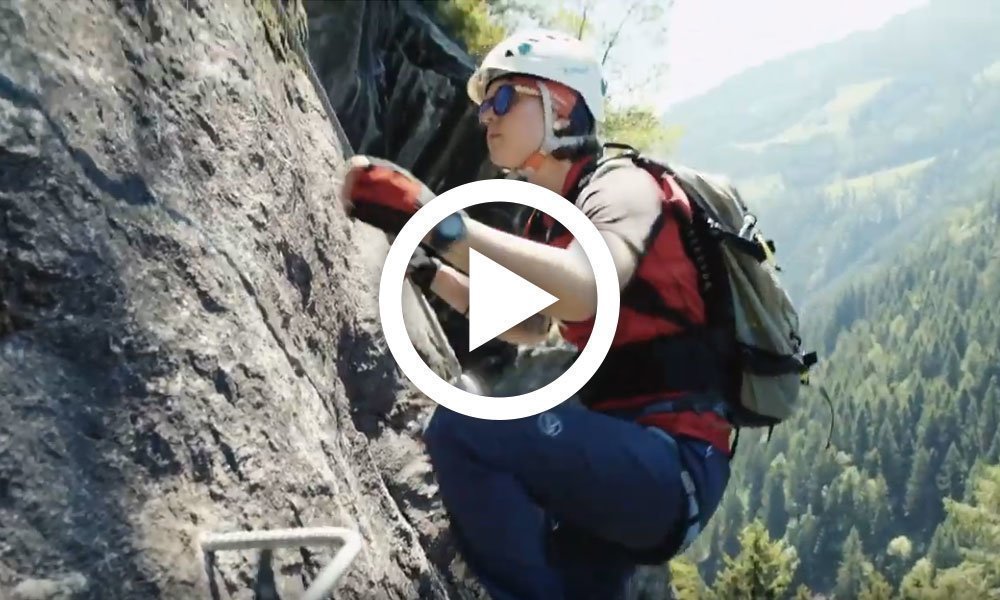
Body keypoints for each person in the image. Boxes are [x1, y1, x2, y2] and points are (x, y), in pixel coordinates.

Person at [340, 29, 733, 600]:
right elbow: (528, 325)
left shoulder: (624, 189)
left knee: (465, 426)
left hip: (670, 465)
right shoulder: (548, 221)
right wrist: (427, 267)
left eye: (502, 99)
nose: (486, 118)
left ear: (562, 105)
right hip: (623, 463)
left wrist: (439, 220)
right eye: (483, 108)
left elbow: (587, 287)